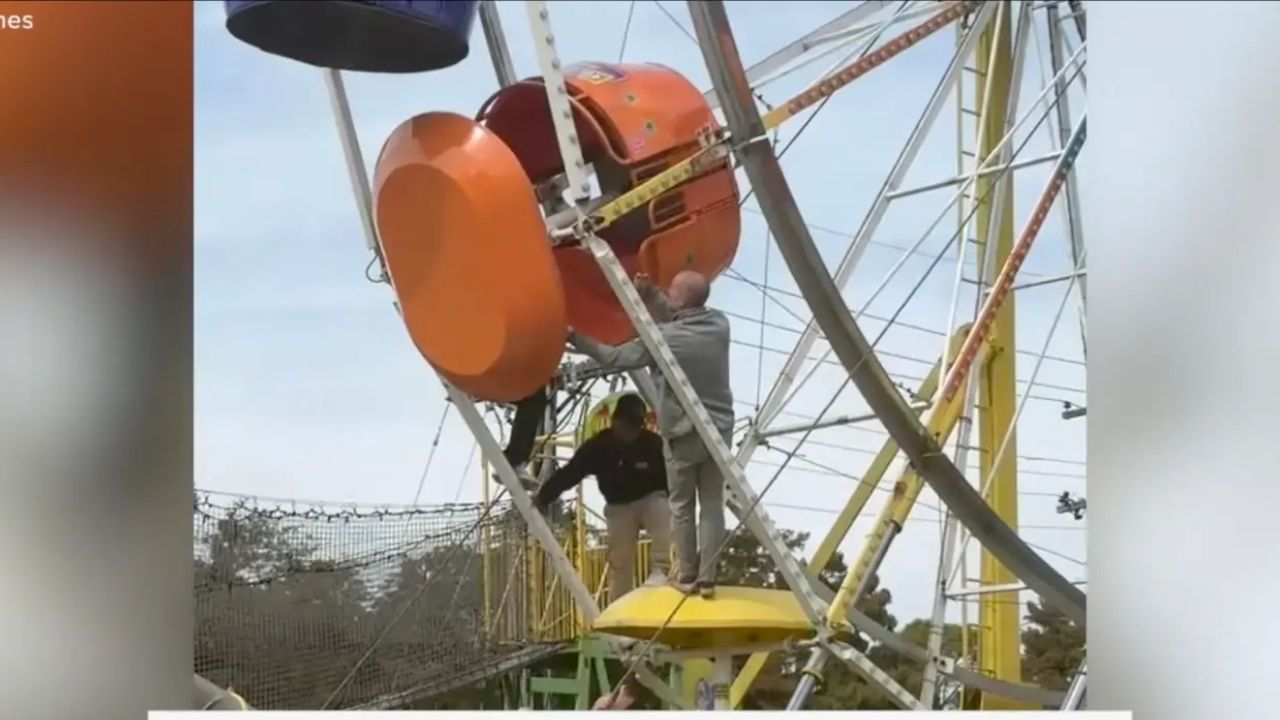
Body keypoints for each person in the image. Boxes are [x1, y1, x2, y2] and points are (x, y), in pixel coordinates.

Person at [567, 270, 733, 599]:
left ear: (681, 301)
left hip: (683, 436)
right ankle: (708, 579)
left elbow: (614, 357)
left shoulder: (664, 341)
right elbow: (677, 314)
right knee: (712, 505)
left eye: (672, 292)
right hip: (719, 430)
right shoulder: (720, 325)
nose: (667, 295)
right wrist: (650, 294)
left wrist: (574, 337)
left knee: (683, 506)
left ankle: (687, 575)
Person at [533, 393, 671, 599]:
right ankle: (619, 601)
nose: (629, 433)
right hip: (619, 506)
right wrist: (544, 496)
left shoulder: (652, 444)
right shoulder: (598, 446)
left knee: (662, 510)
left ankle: (661, 569)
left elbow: (674, 477)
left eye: (634, 427)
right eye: (626, 426)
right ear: (615, 421)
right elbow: (571, 472)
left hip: (650, 498)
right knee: (620, 558)